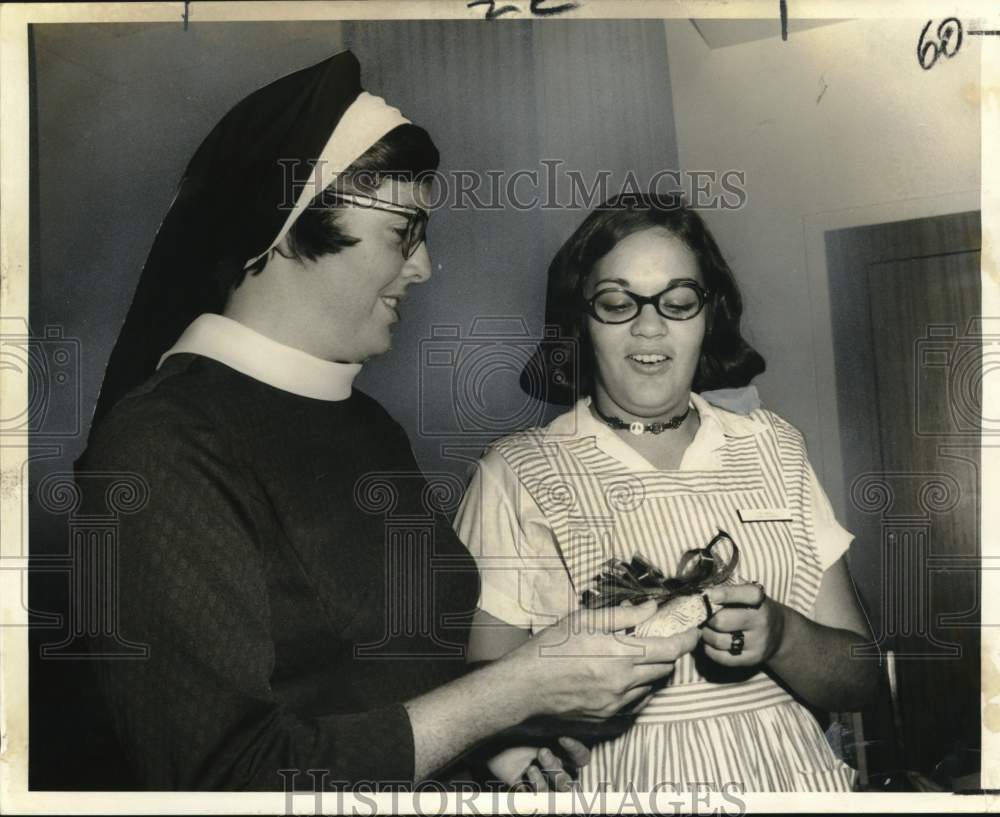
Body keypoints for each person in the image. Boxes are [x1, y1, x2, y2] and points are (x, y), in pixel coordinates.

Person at [77, 53, 695, 791]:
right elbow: (225, 779)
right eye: (405, 231)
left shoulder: (369, 425)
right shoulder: (159, 444)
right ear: (290, 224)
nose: (425, 265)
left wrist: (497, 743)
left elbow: (390, 679)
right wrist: (513, 692)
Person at [455, 193, 879, 792]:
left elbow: (862, 679)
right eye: (616, 302)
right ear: (580, 319)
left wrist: (783, 635)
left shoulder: (775, 447)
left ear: (709, 317)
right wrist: (507, 753)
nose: (649, 326)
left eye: (678, 302)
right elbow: (478, 697)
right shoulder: (516, 471)